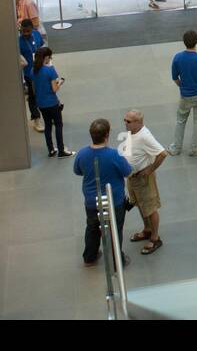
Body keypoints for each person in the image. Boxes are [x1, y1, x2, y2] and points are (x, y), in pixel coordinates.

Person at [73, 118, 132, 268]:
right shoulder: (114, 154)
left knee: (92, 227)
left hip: (92, 201)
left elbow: (77, 171)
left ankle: (89, 257)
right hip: (114, 201)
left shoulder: (82, 154)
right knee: (115, 229)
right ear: (107, 135)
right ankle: (117, 260)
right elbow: (127, 172)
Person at [119, 109, 166, 255]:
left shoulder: (144, 136)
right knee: (140, 204)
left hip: (143, 178)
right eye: (125, 120)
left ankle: (155, 237)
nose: (125, 123)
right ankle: (147, 229)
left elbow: (162, 153)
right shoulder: (131, 133)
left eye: (128, 121)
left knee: (150, 207)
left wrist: (150, 170)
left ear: (139, 122)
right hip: (133, 178)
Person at [169, 30, 197, 156]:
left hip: (185, 96)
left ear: (184, 42)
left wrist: (182, 86)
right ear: (196, 42)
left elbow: (175, 77)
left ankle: (176, 148)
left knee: (181, 120)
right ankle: (194, 148)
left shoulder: (177, 58)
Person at [33, 46, 72, 158]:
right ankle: (61, 150)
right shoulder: (50, 70)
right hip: (52, 103)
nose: (50, 59)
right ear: (46, 57)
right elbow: (54, 89)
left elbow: (34, 88)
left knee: (48, 125)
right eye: (49, 57)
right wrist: (60, 83)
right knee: (58, 125)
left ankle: (51, 149)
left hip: (41, 103)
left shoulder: (33, 70)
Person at [18, 17, 44, 133]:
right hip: (29, 73)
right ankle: (36, 118)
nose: (26, 33)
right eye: (23, 31)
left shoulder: (37, 34)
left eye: (28, 31)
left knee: (45, 92)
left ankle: (50, 114)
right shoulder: (19, 41)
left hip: (42, 70)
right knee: (33, 96)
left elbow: (42, 47)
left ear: (32, 29)